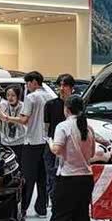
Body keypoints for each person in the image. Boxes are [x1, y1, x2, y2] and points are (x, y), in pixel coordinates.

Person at [41, 95, 95, 221]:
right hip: (86, 178)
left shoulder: (63, 126)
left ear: (67, 109)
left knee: (60, 216)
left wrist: (50, 142)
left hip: (68, 177)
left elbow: (57, 150)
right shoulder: (88, 127)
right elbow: (92, 153)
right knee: (82, 217)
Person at [0, 71, 54, 217]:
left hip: (31, 141)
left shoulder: (31, 97)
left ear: (34, 82)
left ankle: (23, 208)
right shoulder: (50, 96)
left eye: (28, 83)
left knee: (27, 177)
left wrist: (6, 118)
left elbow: (23, 120)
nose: (27, 86)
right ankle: (41, 209)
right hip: (46, 142)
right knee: (43, 177)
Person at [44, 74, 75, 206]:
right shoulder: (50, 104)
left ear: (71, 88)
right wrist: (48, 141)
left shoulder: (77, 105)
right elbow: (46, 128)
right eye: (60, 85)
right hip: (53, 145)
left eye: (65, 85)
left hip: (72, 146)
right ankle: (54, 201)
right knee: (52, 174)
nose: (62, 88)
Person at [0, 85, 25, 165]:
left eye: (13, 95)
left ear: (18, 96)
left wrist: (7, 118)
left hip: (20, 141)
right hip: (5, 141)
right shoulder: (3, 105)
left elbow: (22, 120)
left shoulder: (23, 106)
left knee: (20, 164)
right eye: (8, 95)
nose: (10, 98)